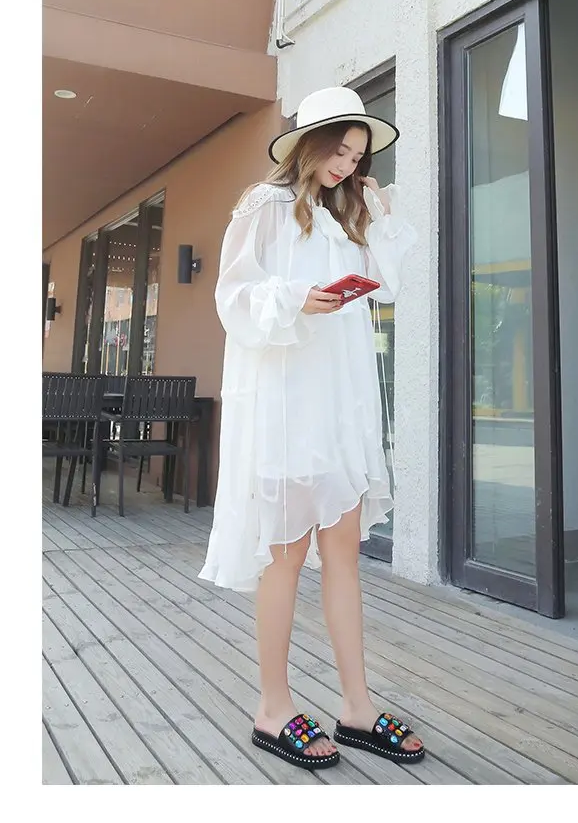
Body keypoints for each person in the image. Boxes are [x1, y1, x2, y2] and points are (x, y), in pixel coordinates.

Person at [199, 86, 424, 771]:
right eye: (341, 151)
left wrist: (379, 215)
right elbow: (232, 297)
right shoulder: (263, 206)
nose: (348, 166)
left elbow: (386, 284)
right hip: (288, 408)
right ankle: (273, 707)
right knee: (286, 559)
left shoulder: (345, 217)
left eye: (358, 157)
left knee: (345, 556)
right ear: (310, 143)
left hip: (340, 409)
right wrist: (299, 299)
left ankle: (357, 706)